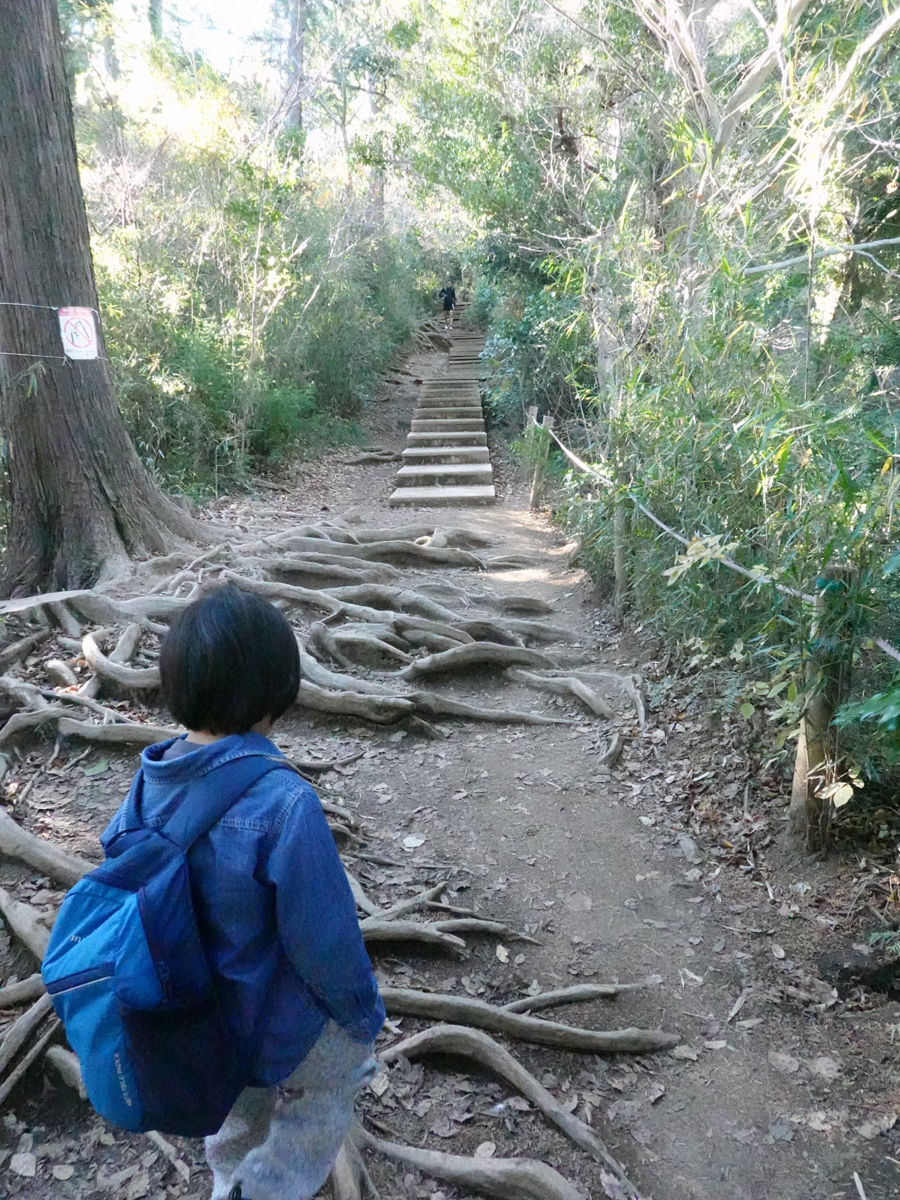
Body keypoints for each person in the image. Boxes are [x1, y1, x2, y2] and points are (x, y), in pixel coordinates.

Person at [101, 584, 384, 1200]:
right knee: (341, 1077)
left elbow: (116, 860)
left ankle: (227, 1176)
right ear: (272, 694)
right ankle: (263, 1189)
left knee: (234, 1100)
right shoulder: (285, 804)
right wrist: (363, 1017)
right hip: (271, 1022)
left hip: (193, 1016)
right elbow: (324, 939)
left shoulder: (148, 781)